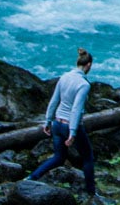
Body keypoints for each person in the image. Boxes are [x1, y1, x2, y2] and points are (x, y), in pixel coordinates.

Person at [29, 48, 106, 201]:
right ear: (88, 65)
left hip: (57, 123)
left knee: (58, 157)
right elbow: (76, 109)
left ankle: (31, 178)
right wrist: (72, 132)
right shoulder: (84, 84)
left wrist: (48, 121)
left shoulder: (64, 77)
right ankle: (91, 192)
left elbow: (54, 101)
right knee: (88, 158)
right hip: (69, 125)